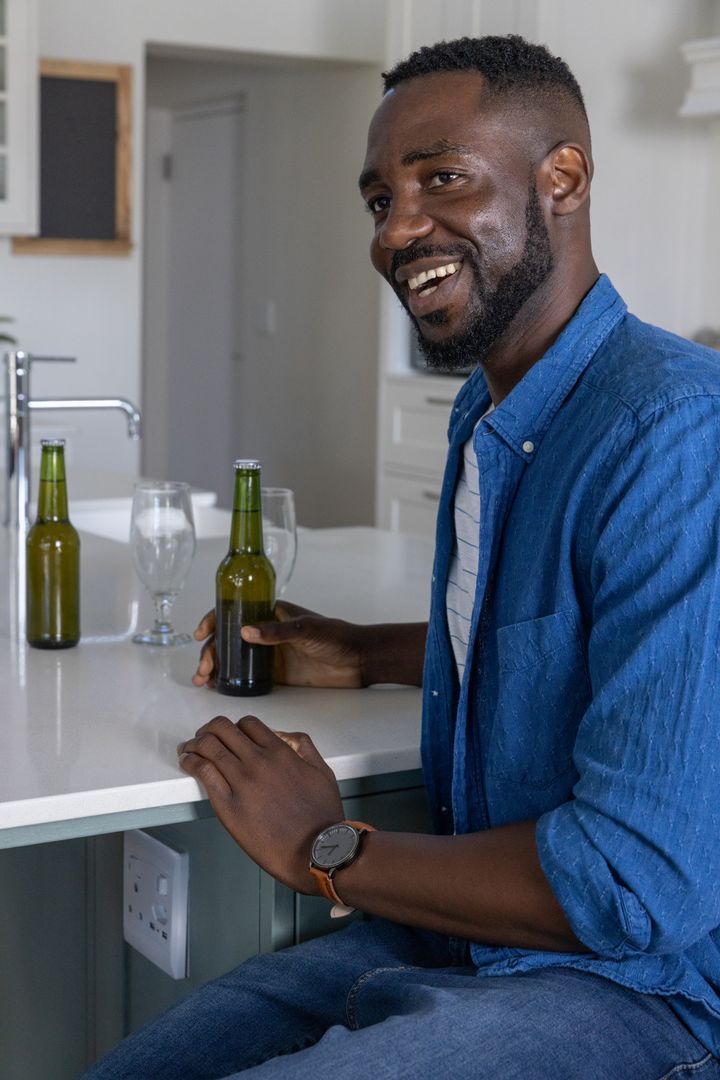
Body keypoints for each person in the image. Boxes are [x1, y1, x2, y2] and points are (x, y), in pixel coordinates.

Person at [83, 35, 720, 1079]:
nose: (400, 229)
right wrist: (367, 649)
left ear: (561, 179)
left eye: (443, 179)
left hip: (640, 995)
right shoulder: (493, 411)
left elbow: (635, 884)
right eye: (381, 198)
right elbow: (589, 641)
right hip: (452, 942)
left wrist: (324, 852)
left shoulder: (675, 430)